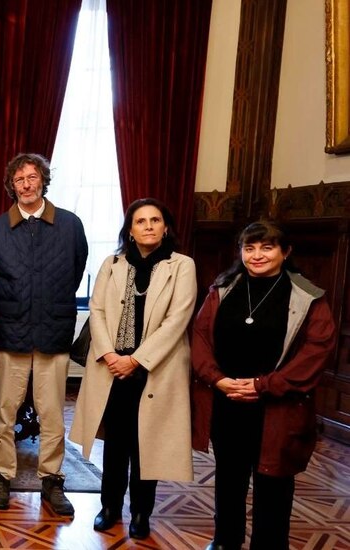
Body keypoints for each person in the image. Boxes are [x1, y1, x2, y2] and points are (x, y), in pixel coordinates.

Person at [191, 220, 335, 550]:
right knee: (229, 478)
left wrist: (263, 385)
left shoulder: (308, 297)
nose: (257, 255)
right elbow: (200, 336)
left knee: (274, 483)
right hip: (227, 401)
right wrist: (219, 379)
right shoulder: (222, 289)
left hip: (277, 408)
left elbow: (317, 350)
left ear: (285, 253)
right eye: (249, 247)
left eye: (267, 247)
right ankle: (225, 539)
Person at [70, 198, 197, 539]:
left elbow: (178, 319)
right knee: (115, 443)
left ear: (166, 227)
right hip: (111, 368)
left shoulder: (181, 265)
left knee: (147, 443)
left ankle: (141, 512)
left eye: (155, 220)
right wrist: (111, 354)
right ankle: (109, 506)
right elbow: (96, 311)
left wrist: (136, 359)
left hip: (155, 369)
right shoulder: (112, 264)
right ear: (130, 230)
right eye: (141, 221)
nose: (149, 226)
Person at [0, 153, 88, 515]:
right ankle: (1, 474)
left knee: (52, 412)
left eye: (32, 177)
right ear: (11, 186)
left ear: (43, 180)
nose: (26, 185)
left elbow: (74, 273)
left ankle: (52, 479)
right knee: (4, 412)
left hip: (52, 332)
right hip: (9, 333)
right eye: (19, 179)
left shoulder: (70, 225)